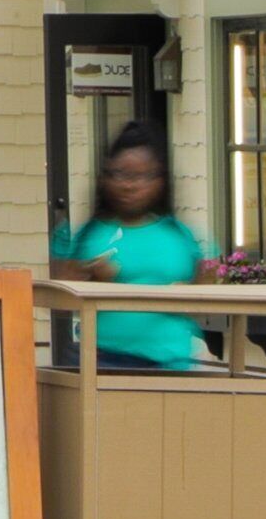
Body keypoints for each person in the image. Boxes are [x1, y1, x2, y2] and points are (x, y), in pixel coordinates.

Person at [49, 137, 206, 371]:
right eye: (120, 174)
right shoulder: (92, 234)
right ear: (105, 180)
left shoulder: (179, 235)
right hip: (102, 360)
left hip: (167, 363)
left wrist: (189, 292)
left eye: (142, 176)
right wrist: (91, 278)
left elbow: (206, 293)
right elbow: (59, 302)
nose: (129, 186)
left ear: (160, 181)